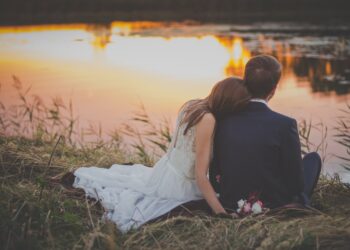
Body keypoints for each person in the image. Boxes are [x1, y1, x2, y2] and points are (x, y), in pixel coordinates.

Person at [72, 77, 251, 232]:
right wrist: (220, 213)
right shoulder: (208, 119)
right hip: (180, 184)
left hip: (165, 169)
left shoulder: (194, 104)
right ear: (229, 104)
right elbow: (199, 175)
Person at [210, 55, 322, 211]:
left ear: (245, 82)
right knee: (313, 160)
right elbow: (296, 185)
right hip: (273, 204)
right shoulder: (285, 125)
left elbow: (215, 176)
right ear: (274, 89)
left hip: (231, 202)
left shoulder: (222, 120)